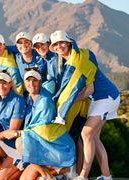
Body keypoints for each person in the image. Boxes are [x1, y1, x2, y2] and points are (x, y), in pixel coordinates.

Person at [50, 30, 120, 180]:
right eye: (55, 44)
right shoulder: (67, 64)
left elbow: (90, 89)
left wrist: (68, 103)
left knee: (86, 133)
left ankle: (83, 175)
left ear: (68, 42)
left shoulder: (80, 60)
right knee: (94, 138)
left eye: (61, 42)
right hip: (98, 100)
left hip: (106, 96)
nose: (59, 46)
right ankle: (106, 176)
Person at [1, 68, 76, 179]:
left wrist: (18, 133)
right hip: (42, 146)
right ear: (24, 83)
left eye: (34, 80)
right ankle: (51, 172)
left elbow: (42, 130)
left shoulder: (45, 101)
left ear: (40, 82)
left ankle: (57, 171)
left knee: (20, 142)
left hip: (58, 148)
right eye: (28, 80)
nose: (31, 84)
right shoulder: (30, 99)